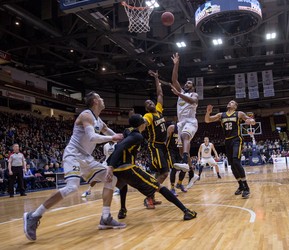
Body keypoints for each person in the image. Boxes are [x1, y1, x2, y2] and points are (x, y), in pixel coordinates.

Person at [23, 92, 125, 241]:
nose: (103, 99)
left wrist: (123, 138)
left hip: (86, 158)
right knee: (72, 187)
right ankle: (33, 216)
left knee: (111, 178)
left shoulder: (98, 120)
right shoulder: (86, 115)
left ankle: (105, 218)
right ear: (95, 101)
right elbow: (92, 137)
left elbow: (110, 132)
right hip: (73, 155)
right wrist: (112, 138)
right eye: (101, 98)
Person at [107, 114, 197, 220]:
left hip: (118, 171)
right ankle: (186, 211)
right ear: (141, 124)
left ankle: (122, 209)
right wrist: (110, 166)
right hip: (126, 168)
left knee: (123, 185)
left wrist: (111, 165)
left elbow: (123, 142)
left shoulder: (127, 131)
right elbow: (120, 146)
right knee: (160, 187)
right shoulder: (137, 136)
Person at [205, 100, 256, 199]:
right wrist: (208, 112)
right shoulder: (221, 115)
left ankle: (246, 187)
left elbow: (249, 120)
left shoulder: (239, 113)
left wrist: (251, 121)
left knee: (236, 161)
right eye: (229, 102)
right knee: (232, 165)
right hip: (227, 141)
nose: (229, 103)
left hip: (237, 139)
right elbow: (207, 120)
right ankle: (240, 185)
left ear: (235, 107)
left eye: (232, 102)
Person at [143, 70, 172, 208]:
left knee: (160, 173)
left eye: (151, 102)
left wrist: (156, 78)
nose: (150, 104)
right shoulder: (148, 116)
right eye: (147, 104)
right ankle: (148, 197)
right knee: (164, 173)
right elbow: (143, 123)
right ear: (146, 108)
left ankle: (150, 197)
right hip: (154, 146)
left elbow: (160, 93)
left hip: (161, 145)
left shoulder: (159, 111)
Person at [171, 52, 199, 189]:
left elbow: (192, 101)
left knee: (185, 136)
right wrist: (176, 64)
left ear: (192, 86)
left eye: (189, 83)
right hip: (181, 123)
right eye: (186, 83)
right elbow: (174, 79)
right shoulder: (181, 92)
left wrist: (179, 94)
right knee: (181, 150)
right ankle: (192, 173)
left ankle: (184, 161)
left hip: (191, 121)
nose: (187, 84)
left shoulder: (193, 94)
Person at [167, 123, 187, 196]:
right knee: (174, 168)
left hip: (179, 151)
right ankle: (172, 188)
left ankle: (179, 183)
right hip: (171, 151)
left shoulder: (185, 130)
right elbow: (165, 140)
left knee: (185, 167)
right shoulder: (172, 127)